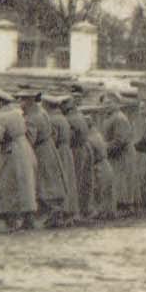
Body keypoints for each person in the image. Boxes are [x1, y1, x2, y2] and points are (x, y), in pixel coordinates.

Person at [0, 90, 38, 231]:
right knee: (25, 185)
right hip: (24, 147)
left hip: (12, 152)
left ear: (0, 102)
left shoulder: (2, 116)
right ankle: (28, 218)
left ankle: (11, 219)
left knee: (7, 185)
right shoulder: (16, 113)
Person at [20, 90, 68, 228]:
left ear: (28, 101)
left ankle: (53, 212)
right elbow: (52, 132)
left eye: (22, 100)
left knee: (43, 182)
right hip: (50, 148)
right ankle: (55, 212)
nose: (20, 104)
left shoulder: (32, 118)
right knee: (52, 180)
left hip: (41, 151)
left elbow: (30, 139)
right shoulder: (43, 113)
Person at [43, 93, 81, 224]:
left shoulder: (52, 120)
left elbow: (54, 138)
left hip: (59, 151)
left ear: (47, 105)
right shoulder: (62, 118)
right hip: (67, 150)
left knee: (60, 181)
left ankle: (62, 212)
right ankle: (71, 212)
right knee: (69, 180)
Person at [103, 94, 138, 216]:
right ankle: (121, 205)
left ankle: (127, 207)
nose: (106, 106)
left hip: (123, 154)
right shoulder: (111, 117)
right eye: (105, 103)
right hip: (116, 154)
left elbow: (120, 140)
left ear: (116, 104)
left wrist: (105, 148)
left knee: (124, 179)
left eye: (109, 103)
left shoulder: (119, 118)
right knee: (118, 180)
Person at [63, 93, 94, 224]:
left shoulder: (71, 119)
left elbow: (70, 138)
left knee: (75, 180)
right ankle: (85, 210)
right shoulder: (79, 115)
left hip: (77, 150)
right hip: (84, 148)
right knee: (83, 180)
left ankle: (76, 213)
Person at [82, 105, 116, 218]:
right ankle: (108, 212)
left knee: (100, 190)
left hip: (99, 165)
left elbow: (89, 156)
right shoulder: (97, 134)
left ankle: (102, 212)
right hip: (106, 164)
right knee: (106, 191)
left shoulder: (90, 138)